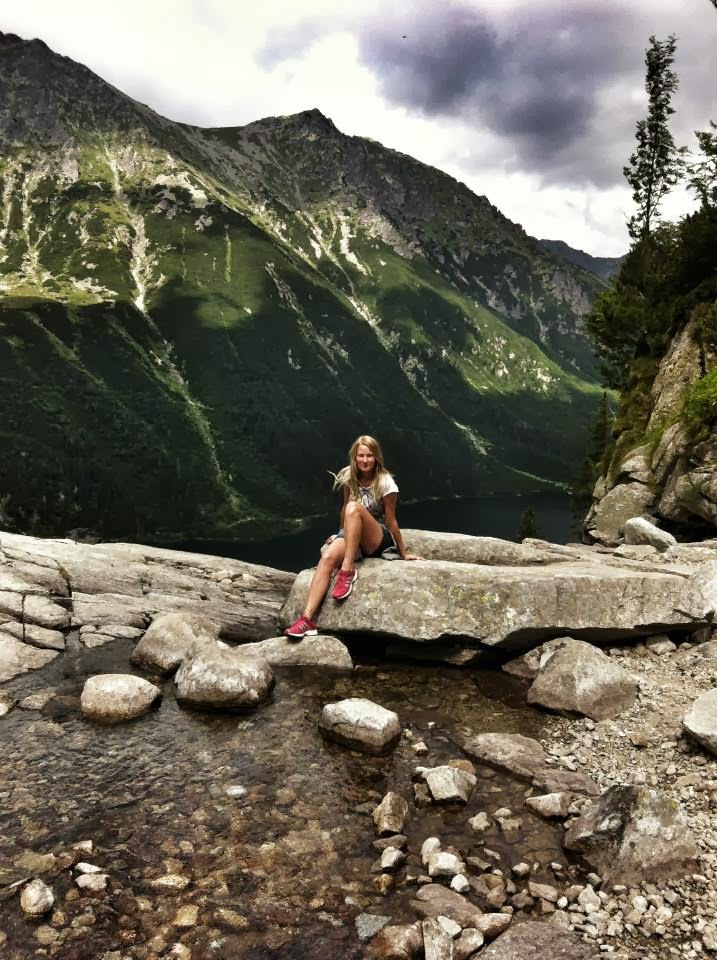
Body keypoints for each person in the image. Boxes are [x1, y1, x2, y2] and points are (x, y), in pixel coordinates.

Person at [284, 435, 422, 639]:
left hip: (376, 537)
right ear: (354, 457)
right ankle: (307, 620)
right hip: (352, 531)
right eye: (361, 456)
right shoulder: (350, 476)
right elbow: (344, 508)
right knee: (327, 558)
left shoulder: (386, 483)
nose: (365, 460)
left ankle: (347, 570)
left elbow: (391, 520)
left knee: (354, 507)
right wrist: (339, 533)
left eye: (369, 456)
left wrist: (403, 553)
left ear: (376, 458)